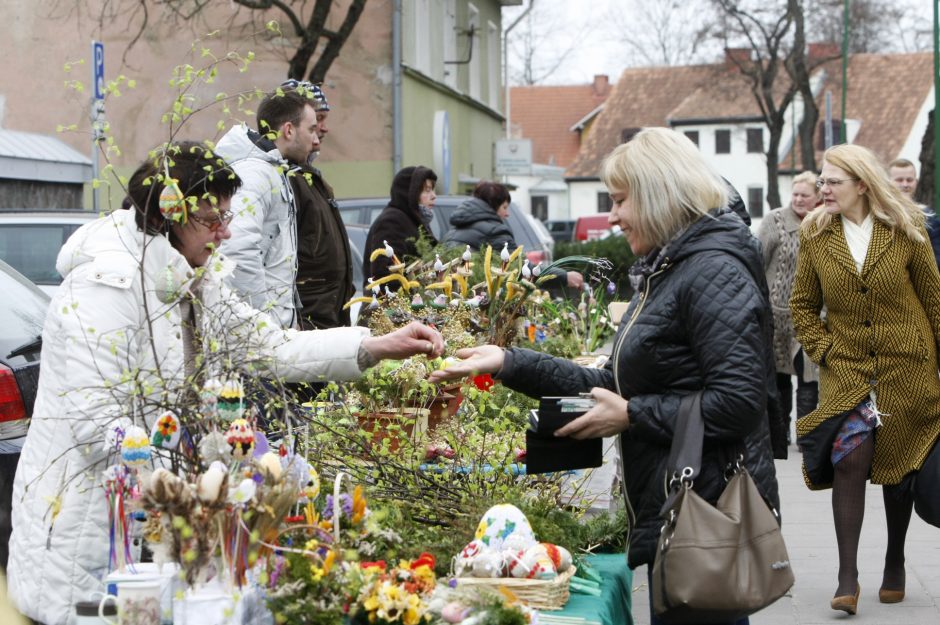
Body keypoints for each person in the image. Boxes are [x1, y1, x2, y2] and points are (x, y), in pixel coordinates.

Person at [6, 142, 444, 625]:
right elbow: (97, 428)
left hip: (157, 530)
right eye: (213, 221)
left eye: (228, 218)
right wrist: (198, 492)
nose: (227, 232)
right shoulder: (104, 288)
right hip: (89, 537)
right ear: (169, 217)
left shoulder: (194, 279)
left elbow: (271, 346)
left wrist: (376, 345)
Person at [430, 127, 780, 625]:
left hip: (707, 521)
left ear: (659, 194)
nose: (612, 216)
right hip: (679, 514)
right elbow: (617, 385)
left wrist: (634, 415)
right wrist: (507, 361)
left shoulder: (711, 272)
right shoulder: (670, 269)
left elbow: (740, 402)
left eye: (620, 200)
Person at [790, 144, 940, 614]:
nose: (823, 189)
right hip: (849, 371)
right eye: (821, 181)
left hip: (908, 369)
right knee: (850, 458)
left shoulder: (907, 228)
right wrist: (826, 351)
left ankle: (895, 559)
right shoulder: (815, 235)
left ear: (862, 183)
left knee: (900, 468)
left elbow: (934, 300)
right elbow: (801, 307)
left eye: (832, 181)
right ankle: (847, 574)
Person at [216, 85, 320, 328]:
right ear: (289, 130)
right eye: (311, 129)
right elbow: (237, 249)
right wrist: (262, 324)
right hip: (261, 340)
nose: (315, 139)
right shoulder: (256, 173)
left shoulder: (272, 170)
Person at [282, 80, 355, 331]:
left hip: (326, 314)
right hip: (310, 319)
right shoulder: (287, 179)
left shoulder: (308, 176)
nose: (323, 130)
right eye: (316, 121)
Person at [756, 171, 820, 455]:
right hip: (774, 316)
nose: (798, 200)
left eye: (805, 195)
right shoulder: (775, 221)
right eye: (795, 194)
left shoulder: (824, 224)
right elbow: (758, 262)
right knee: (778, 379)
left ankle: (806, 438)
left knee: (808, 378)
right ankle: (779, 437)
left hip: (810, 317)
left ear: (816, 198)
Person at [362, 165, 439, 289]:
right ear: (410, 192)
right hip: (392, 305)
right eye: (427, 190)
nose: (434, 195)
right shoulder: (392, 221)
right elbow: (386, 274)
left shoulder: (413, 220)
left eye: (432, 190)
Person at [888, 157, 940, 265]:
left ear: (916, 182)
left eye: (909, 180)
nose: (905, 184)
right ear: (888, 182)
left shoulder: (929, 217)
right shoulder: (878, 215)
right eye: (899, 180)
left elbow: (937, 259)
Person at [443, 180, 516, 251]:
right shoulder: (497, 233)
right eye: (504, 207)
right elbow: (516, 262)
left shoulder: (452, 233)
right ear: (493, 205)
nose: (507, 214)